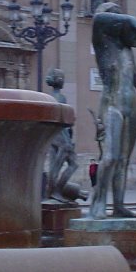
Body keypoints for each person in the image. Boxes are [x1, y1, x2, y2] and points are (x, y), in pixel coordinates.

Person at [88, 3, 136, 219]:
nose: (120, 23)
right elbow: (99, 18)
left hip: (132, 104)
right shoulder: (103, 44)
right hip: (112, 104)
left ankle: (118, 205)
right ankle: (98, 203)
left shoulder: (127, 51)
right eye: (116, 18)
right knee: (109, 156)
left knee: (123, 160)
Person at [43, 68, 85, 202]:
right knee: (71, 164)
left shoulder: (50, 98)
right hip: (62, 138)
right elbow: (63, 121)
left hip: (53, 137)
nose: (64, 82)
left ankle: (52, 192)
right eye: (63, 79)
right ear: (59, 81)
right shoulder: (60, 97)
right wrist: (68, 140)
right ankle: (56, 191)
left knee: (54, 165)